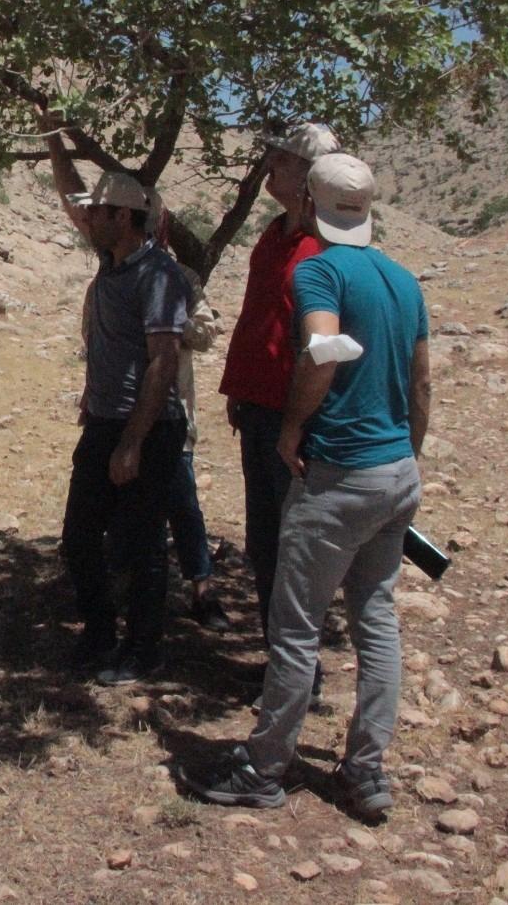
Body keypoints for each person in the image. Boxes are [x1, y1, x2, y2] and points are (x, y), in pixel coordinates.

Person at [184, 153, 430, 821]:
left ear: (312, 207)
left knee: (295, 631)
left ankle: (264, 770)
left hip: (339, 477)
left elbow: (321, 348)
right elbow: (422, 381)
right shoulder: (404, 281)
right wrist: (406, 456)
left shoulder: (320, 270)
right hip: (396, 474)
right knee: (375, 620)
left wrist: (291, 429)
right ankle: (366, 772)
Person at [45, 135, 190, 684]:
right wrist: (53, 139)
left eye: (101, 210)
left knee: (141, 543)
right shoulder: (114, 256)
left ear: (126, 218)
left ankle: (144, 649)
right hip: (105, 422)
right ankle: (101, 635)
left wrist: (133, 440)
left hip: (145, 429)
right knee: (80, 536)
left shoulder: (159, 276)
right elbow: (70, 195)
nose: (89, 216)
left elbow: (163, 362)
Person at [217, 121, 339, 696]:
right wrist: (239, 389)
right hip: (259, 410)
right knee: (265, 542)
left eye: (284, 159)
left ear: (309, 177)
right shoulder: (272, 234)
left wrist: (301, 420)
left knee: (296, 546)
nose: (271, 163)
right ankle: (284, 665)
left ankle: (301, 673)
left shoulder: (326, 246)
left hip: (297, 419)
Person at [166, 262, 229, 631]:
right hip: (121, 414)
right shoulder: (108, 277)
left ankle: (202, 590)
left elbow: (206, 334)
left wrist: (174, 321)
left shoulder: (184, 279)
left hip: (175, 415)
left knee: (185, 507)